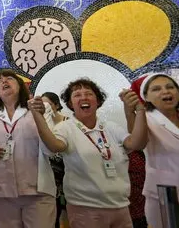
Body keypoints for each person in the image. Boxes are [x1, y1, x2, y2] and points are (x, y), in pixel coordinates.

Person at [30, 78, 148, 228]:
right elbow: (54, 146)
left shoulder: (110, 127)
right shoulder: (65, 128)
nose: (84, 97)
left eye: (89, 94)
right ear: (71, 104)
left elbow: (137, 143)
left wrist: (140, 109)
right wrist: (38, 116)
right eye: (77, 95)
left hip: (121, 206)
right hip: (85, 209)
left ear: (98, 101)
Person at [0, 70, 56, 228]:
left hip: (38, 192)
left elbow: (50, 150)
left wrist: (40, 116)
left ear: (21, 86)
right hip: (2, 193)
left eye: (9, 78)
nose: (4, 81)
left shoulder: (40, 108)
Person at [124, 73, 179, 228]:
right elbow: (138, 144)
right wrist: (133, 112)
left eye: (170, 87)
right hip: (165, 195)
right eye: (156, 89)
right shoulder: (147, 118)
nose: (165, 91)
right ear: (146, 96)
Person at [42, 91, 68, 228]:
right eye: (42, 104)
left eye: (48, 104)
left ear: (56, 105)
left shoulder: (68, 123)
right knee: (54, 216)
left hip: (68, 176)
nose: (45, 107)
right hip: (50, 178)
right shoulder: (42, 125)